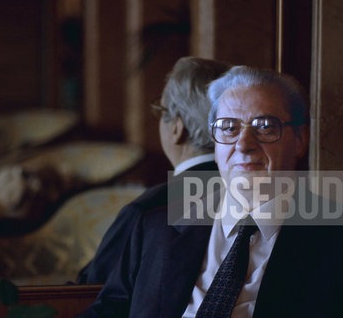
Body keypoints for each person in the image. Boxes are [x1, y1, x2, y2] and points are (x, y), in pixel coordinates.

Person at [78, 66, 343, 317]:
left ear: (300, 139)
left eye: (265, 126)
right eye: (228, 127)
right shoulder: (156, 226)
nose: (244, 144)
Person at [76, 57, 230, 284]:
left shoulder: (149, 209)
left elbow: (88, 292)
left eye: (160, 109)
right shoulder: (268, 192)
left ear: (177, 128)